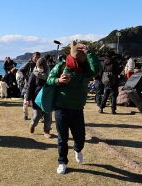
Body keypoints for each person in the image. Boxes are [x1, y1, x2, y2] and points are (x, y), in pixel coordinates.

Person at [47, 41, 102, 174]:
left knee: (80, 138)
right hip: (61, 108)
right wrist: (58, 80)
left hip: (77, 108)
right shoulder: (62, 66)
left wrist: (89, 52)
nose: (82, 61)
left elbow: (97, 69)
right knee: (62, 138)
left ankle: (77, 149)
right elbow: (49, 79)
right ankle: (62, 162)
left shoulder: (85, 70)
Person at [26, 58, 52, 138]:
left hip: (47, 97)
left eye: (42, 66)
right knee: (37, 116)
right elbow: (30, 87)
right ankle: (33, 125)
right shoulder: (34, 74)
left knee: (48, 116)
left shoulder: (50, 74)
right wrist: (28, 98)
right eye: (39, 66)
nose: (40, 68)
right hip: (36, 98)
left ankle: (46, 131)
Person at [18, 52, 40, 120]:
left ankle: (38, 116)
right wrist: (25, 78)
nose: (37, 59)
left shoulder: (40, 64)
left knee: (38, 102)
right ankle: (26, 115)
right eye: (36, 57)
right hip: (27, 86)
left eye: (38, 57)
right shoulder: (28, 64)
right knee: (26, 102)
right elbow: (20, 70)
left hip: (37, 86)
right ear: (33, 57)